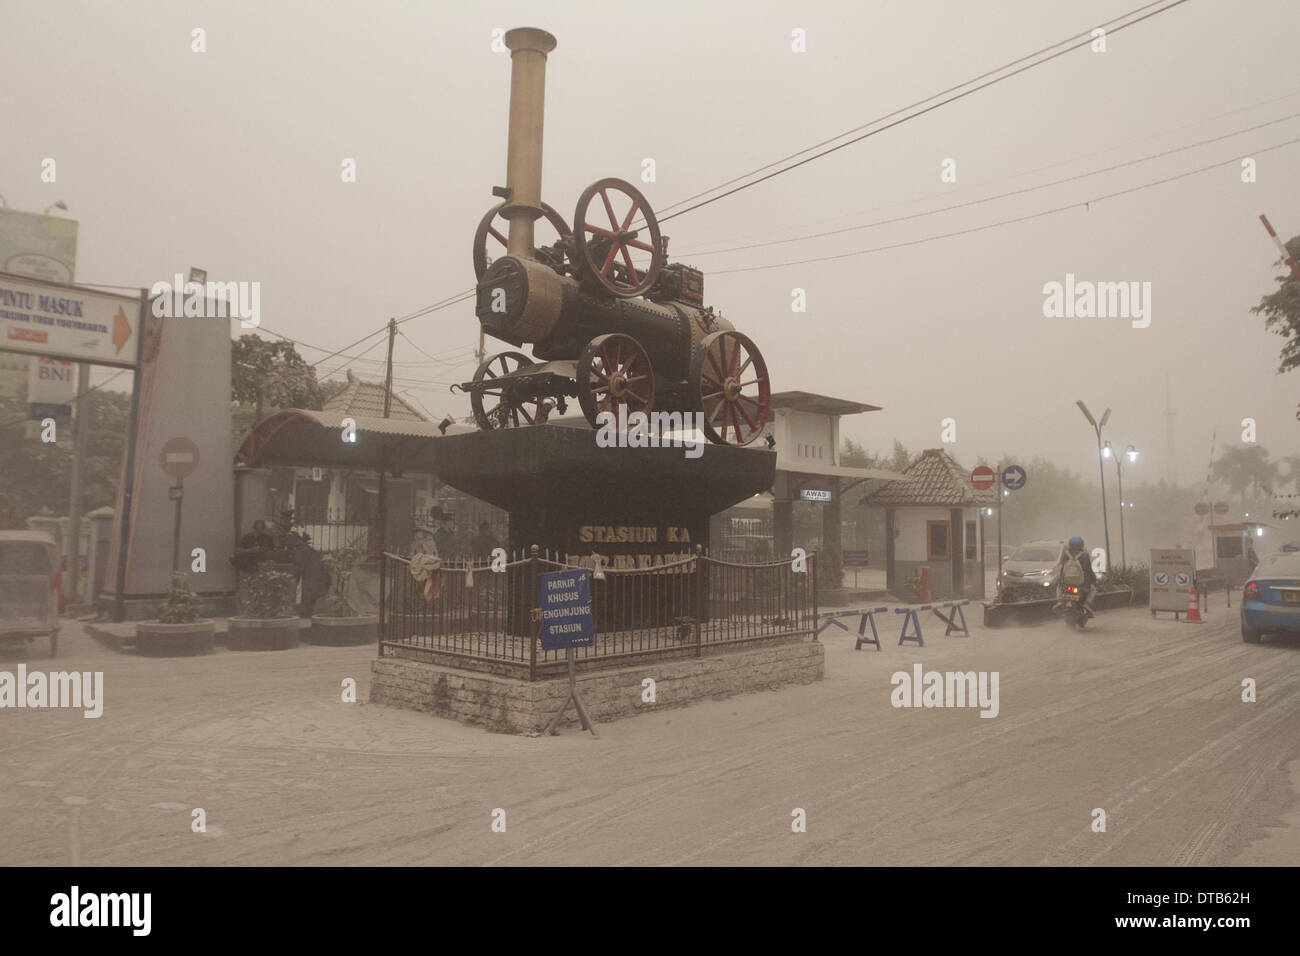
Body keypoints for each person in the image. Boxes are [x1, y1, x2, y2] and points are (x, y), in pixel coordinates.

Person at [1054, 535, 1098, 617]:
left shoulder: (1065, 555)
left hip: (1066, 582)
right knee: (1093, 590)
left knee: (1059, 586)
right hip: (1081, 583)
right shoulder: (1084, 555)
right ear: (1081, 545)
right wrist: (1093, 580)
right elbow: (1088, 570)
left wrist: (1060, 579)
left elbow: (1062, 568)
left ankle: (1059, 601)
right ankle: (1086, 604)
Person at [293, 533, 331, 617]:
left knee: (306, 599)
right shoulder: (310, 549)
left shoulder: (300, 549)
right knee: (311, 599)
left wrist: (295, 574)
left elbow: (300, 566)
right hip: (317, 577)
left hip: (310, 577)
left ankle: (305, 619)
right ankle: (307, 618)